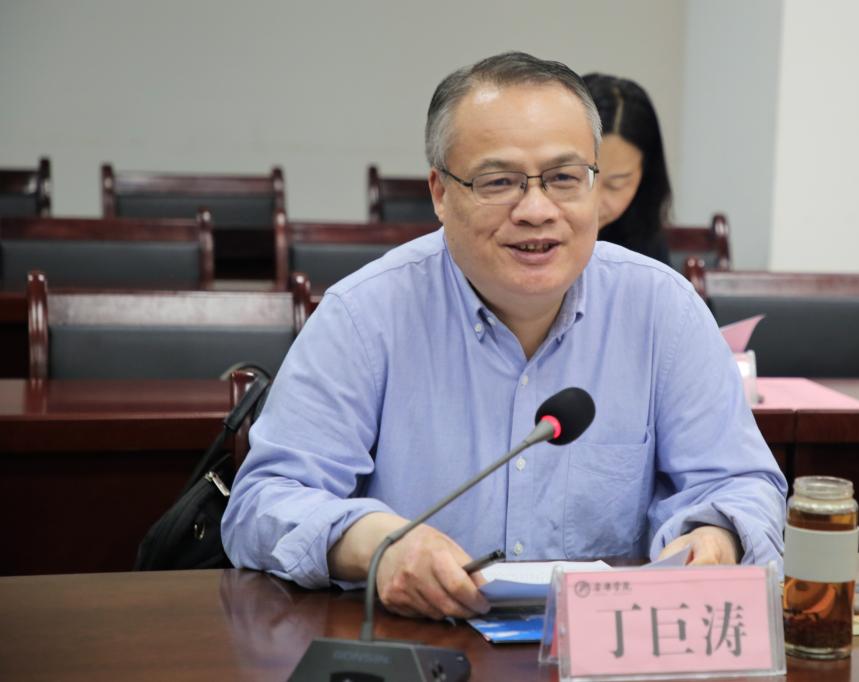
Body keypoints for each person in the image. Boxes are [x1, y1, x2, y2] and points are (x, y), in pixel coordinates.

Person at [222, 52, 785, 621]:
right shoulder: (363, 316)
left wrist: (718, 537)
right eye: (498, 182)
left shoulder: (665, 311)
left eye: (564, 178)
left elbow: (743, 484)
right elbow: (261, 503)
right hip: (417, 642)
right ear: (440, 193)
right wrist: (376, 546)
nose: (537, 210)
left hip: (605, 643)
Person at [583, 73, 672, 265]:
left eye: (616, 185)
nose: (594, 201)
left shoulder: (648, 249)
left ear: (645, 176)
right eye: (578, 177)